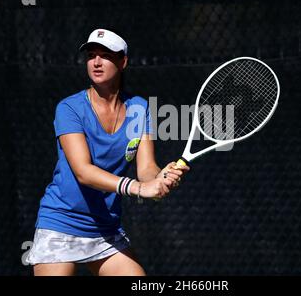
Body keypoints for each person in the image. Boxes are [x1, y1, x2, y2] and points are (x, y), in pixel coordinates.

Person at [26, 28, 189, 276]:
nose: (97, 62)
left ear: (123, 62)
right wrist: (137, 187)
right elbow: (83, 172)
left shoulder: (139, 108)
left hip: (105, 228)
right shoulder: (69, 108)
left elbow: (146, 169)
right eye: (92, 55)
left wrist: (159, 178)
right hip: (61, 224)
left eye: (106, 55)